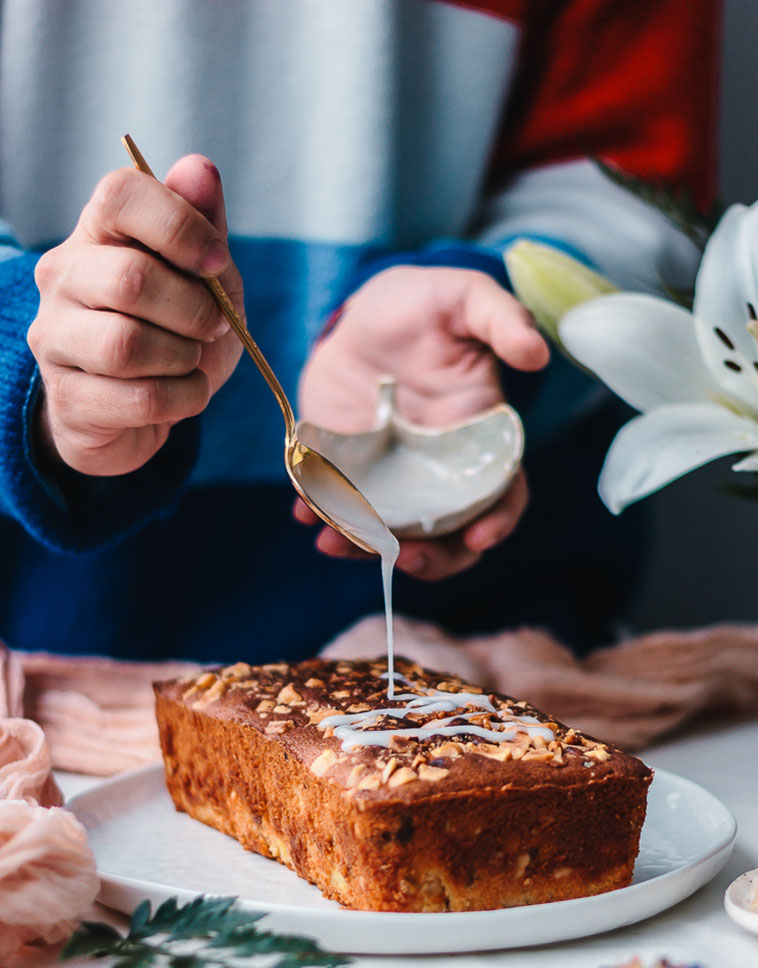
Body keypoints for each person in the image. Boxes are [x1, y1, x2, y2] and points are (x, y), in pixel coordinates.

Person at [0, 0, 718, 663]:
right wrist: (30, 358)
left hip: (497, 650)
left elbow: (632, 182)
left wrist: (494, 304)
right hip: (47, 669)